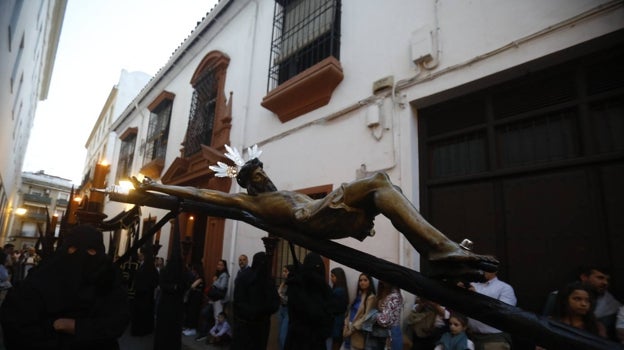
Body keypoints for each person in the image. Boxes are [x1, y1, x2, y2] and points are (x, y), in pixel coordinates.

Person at [134, 154, 498, 279]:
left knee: (386, 190)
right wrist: (159, 187)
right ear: (248, 187)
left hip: (324, 214)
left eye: (262, 172)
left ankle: (438, 253)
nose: (263, 177)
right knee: (378, 181)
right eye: (256, 178)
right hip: (311, 218)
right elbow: (201, 193)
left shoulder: (281, 191)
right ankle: (438, 252)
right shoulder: (252, 205)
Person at [0, 224, 130, 350]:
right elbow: (16, 321)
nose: (81, 256)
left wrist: (71, 325)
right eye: (73, 249)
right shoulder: (44, 275)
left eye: (91, 251)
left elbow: (117, 321)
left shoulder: (108, 278)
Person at [542, 265, 622, 340]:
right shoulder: (556, 299)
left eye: (608, 280)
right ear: (584, 277)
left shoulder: (612, 307)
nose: (605, 283)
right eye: (600, 278)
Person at [284, 252, 335, 350]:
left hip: (313, 340)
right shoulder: (297, 286)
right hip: (299, 340)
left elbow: (330, 312)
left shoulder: (323, 289)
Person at [230, 251, 280, 350]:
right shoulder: (247, 278)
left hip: (257, 326)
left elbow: (275, 303)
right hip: (249, 326)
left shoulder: (267, 280)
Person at [535, 282, 606, 349]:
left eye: (587, 300)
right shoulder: (550, 323)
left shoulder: (597, 327)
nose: (583, 304)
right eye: (577, 299)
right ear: (565, 300)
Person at [464, 268, 516, 350]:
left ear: (495, 269)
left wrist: (476, 297)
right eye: (480, 267)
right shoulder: (471, 285)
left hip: (494, 339)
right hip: (470, 337)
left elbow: (502, 313)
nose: (482, 270)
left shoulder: (505, 288)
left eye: (485, 268)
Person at [197, 259, 230, 342]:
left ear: (224, 266)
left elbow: (222, 287)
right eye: (218, 264)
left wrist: (215, 281)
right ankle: (207, 334)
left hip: (218, 299)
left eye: (221, 265)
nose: (219, 266)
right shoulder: (219, 274)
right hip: (213, 299)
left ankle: (216, 337)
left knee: (217, 318)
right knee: (206, 313)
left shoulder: (224, 275)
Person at [364, 280, 403, 350]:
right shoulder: (383, 292)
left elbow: (384, 320)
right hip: (379, 333)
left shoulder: (394, 296)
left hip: (390, 334)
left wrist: (373, 315)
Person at [343, 273, 377, 350]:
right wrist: (346, 325)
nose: (362, 282)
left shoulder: (371, 297)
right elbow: (350, 310)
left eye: (365, 280)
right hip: (349, 327)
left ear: (370, 282)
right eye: (360, 280)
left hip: (357, 330)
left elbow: (366, 317)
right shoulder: (359, 294)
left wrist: (352, 330)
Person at [328, 267, 349, 350]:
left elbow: (333, 307)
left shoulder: (338, 291)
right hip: (339, 321)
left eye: (333, 276)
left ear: (338, 277)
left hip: (336, 321)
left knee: (334, 343)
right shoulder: (341, 289)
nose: (331, 278)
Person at [182, 262, 204, 337]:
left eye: (194, 270)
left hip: (196, 299)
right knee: (190, 312)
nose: (193, 271)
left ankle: (193, 329)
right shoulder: (195, 277)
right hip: (192, 298)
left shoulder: (200, 278)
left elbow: (192, 286)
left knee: (193, 313)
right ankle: (189, 327)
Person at [278, 264, 295, 350]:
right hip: (281, 309)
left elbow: (289, 299)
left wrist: (279, 293)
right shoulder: (284, 282)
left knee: (283, 336)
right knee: (279, 335)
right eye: (283, 271)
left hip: (288, 310)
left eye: (286, 271)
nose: (283, 273)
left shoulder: (292, 284)